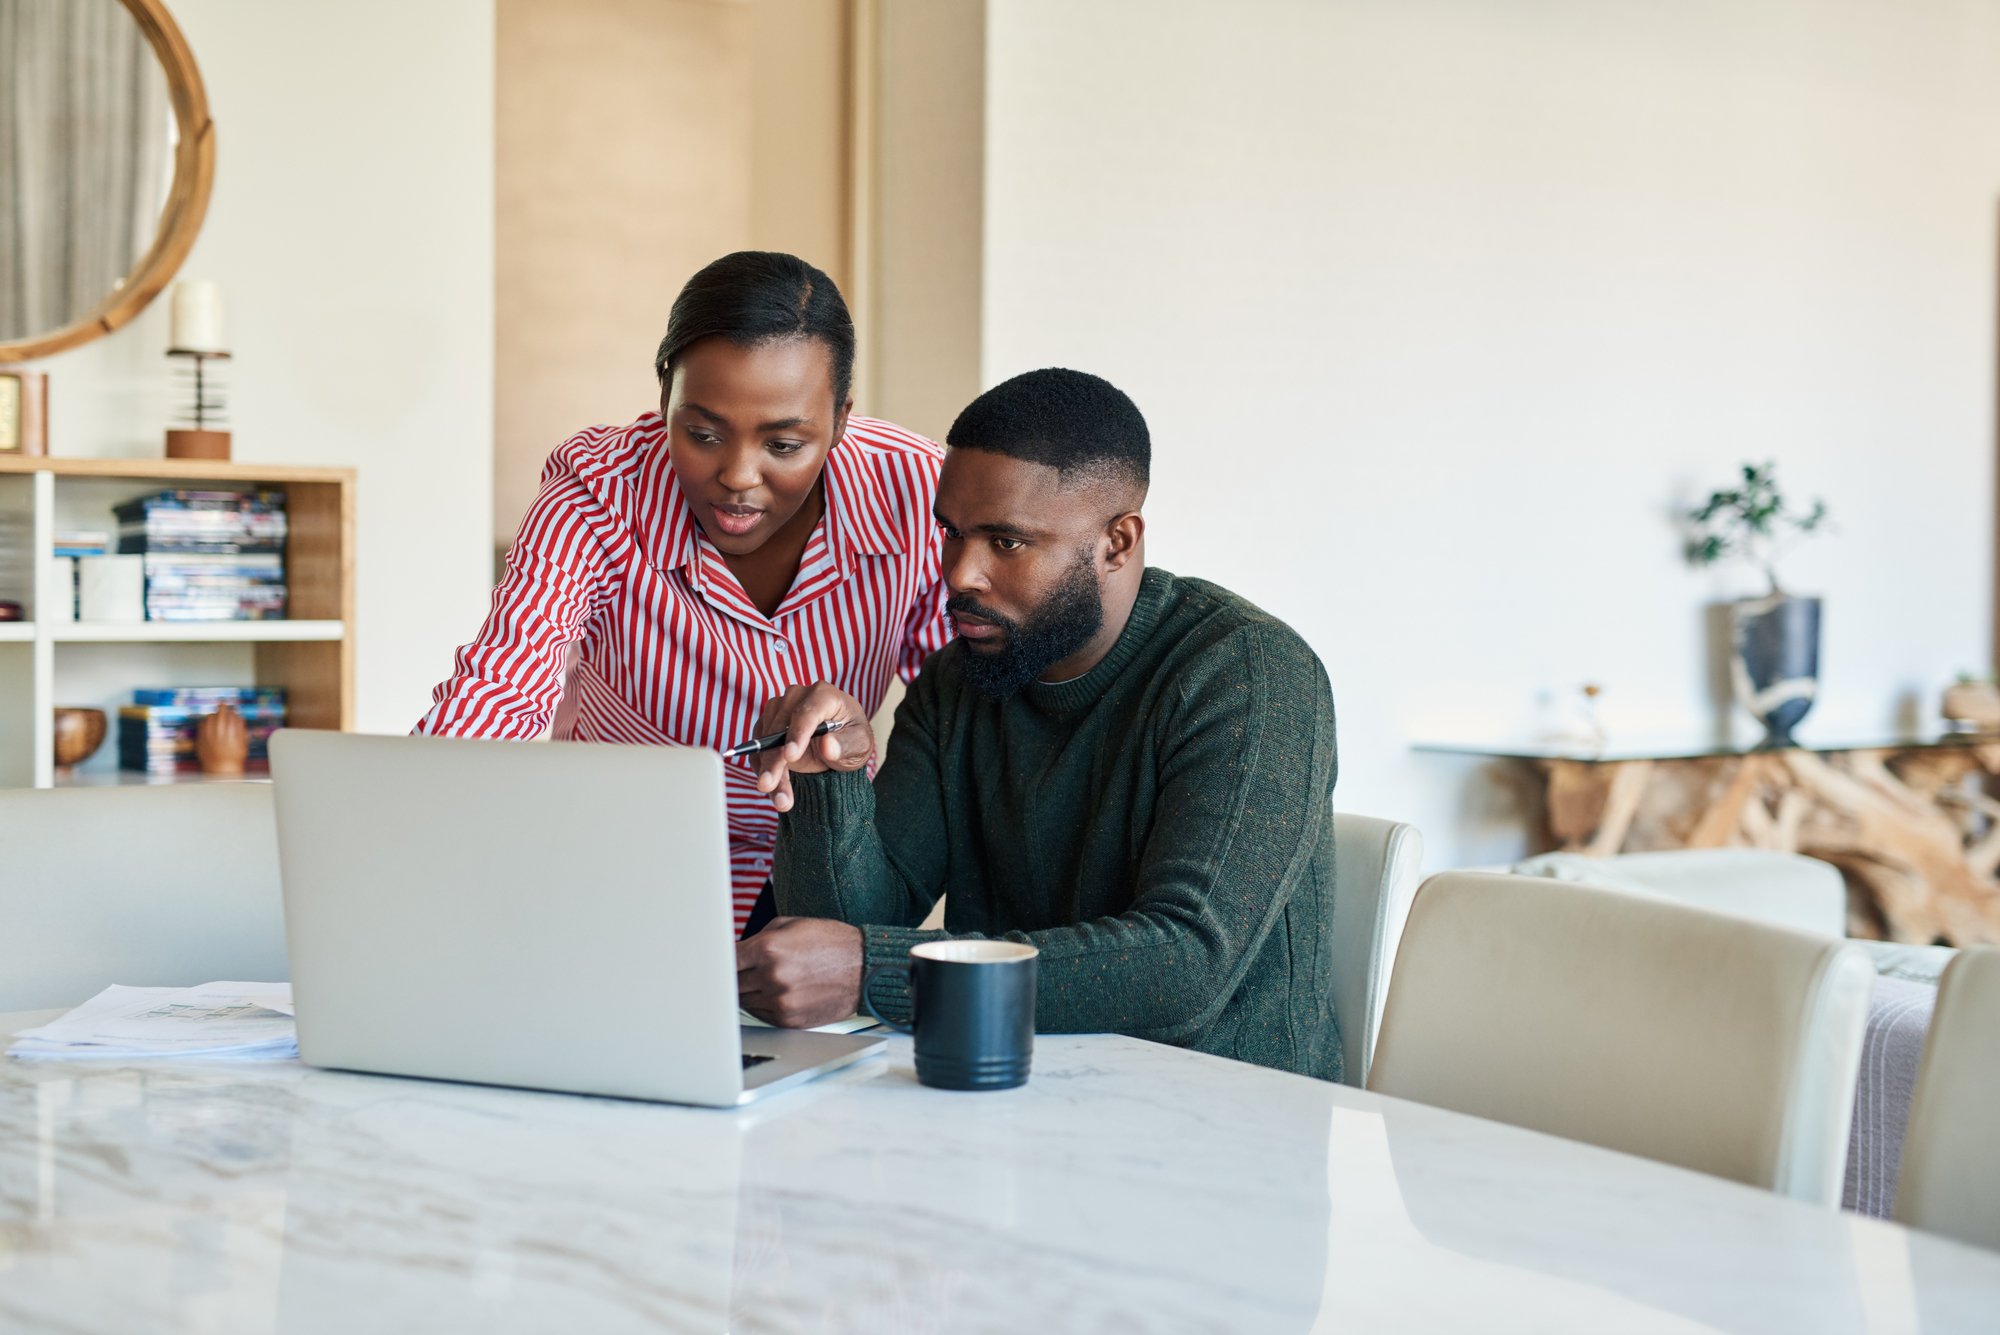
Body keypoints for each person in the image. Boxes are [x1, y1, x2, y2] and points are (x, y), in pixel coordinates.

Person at [735, 368, 1342, 1082]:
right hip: (1021, 1104)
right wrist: (831, 781)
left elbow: (1185, 965)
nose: (960, 573)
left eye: (1007, 542)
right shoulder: (962, 681)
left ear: (1118, 541)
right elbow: (847, 929)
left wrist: (882, 967)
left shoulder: (1249, 673)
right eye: (952, 533)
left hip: (1230, 1130)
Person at [416, 252, 949, 936]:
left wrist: (852, 763)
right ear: (664, 388)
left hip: (817, 870)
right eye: (701, 433)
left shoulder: (914, 492)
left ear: (840, 419)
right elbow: (500, 690)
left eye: (784, 444)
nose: (737, 476)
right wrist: (420, 832)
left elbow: (954, 716)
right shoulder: (599, 490)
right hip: (609, 864)